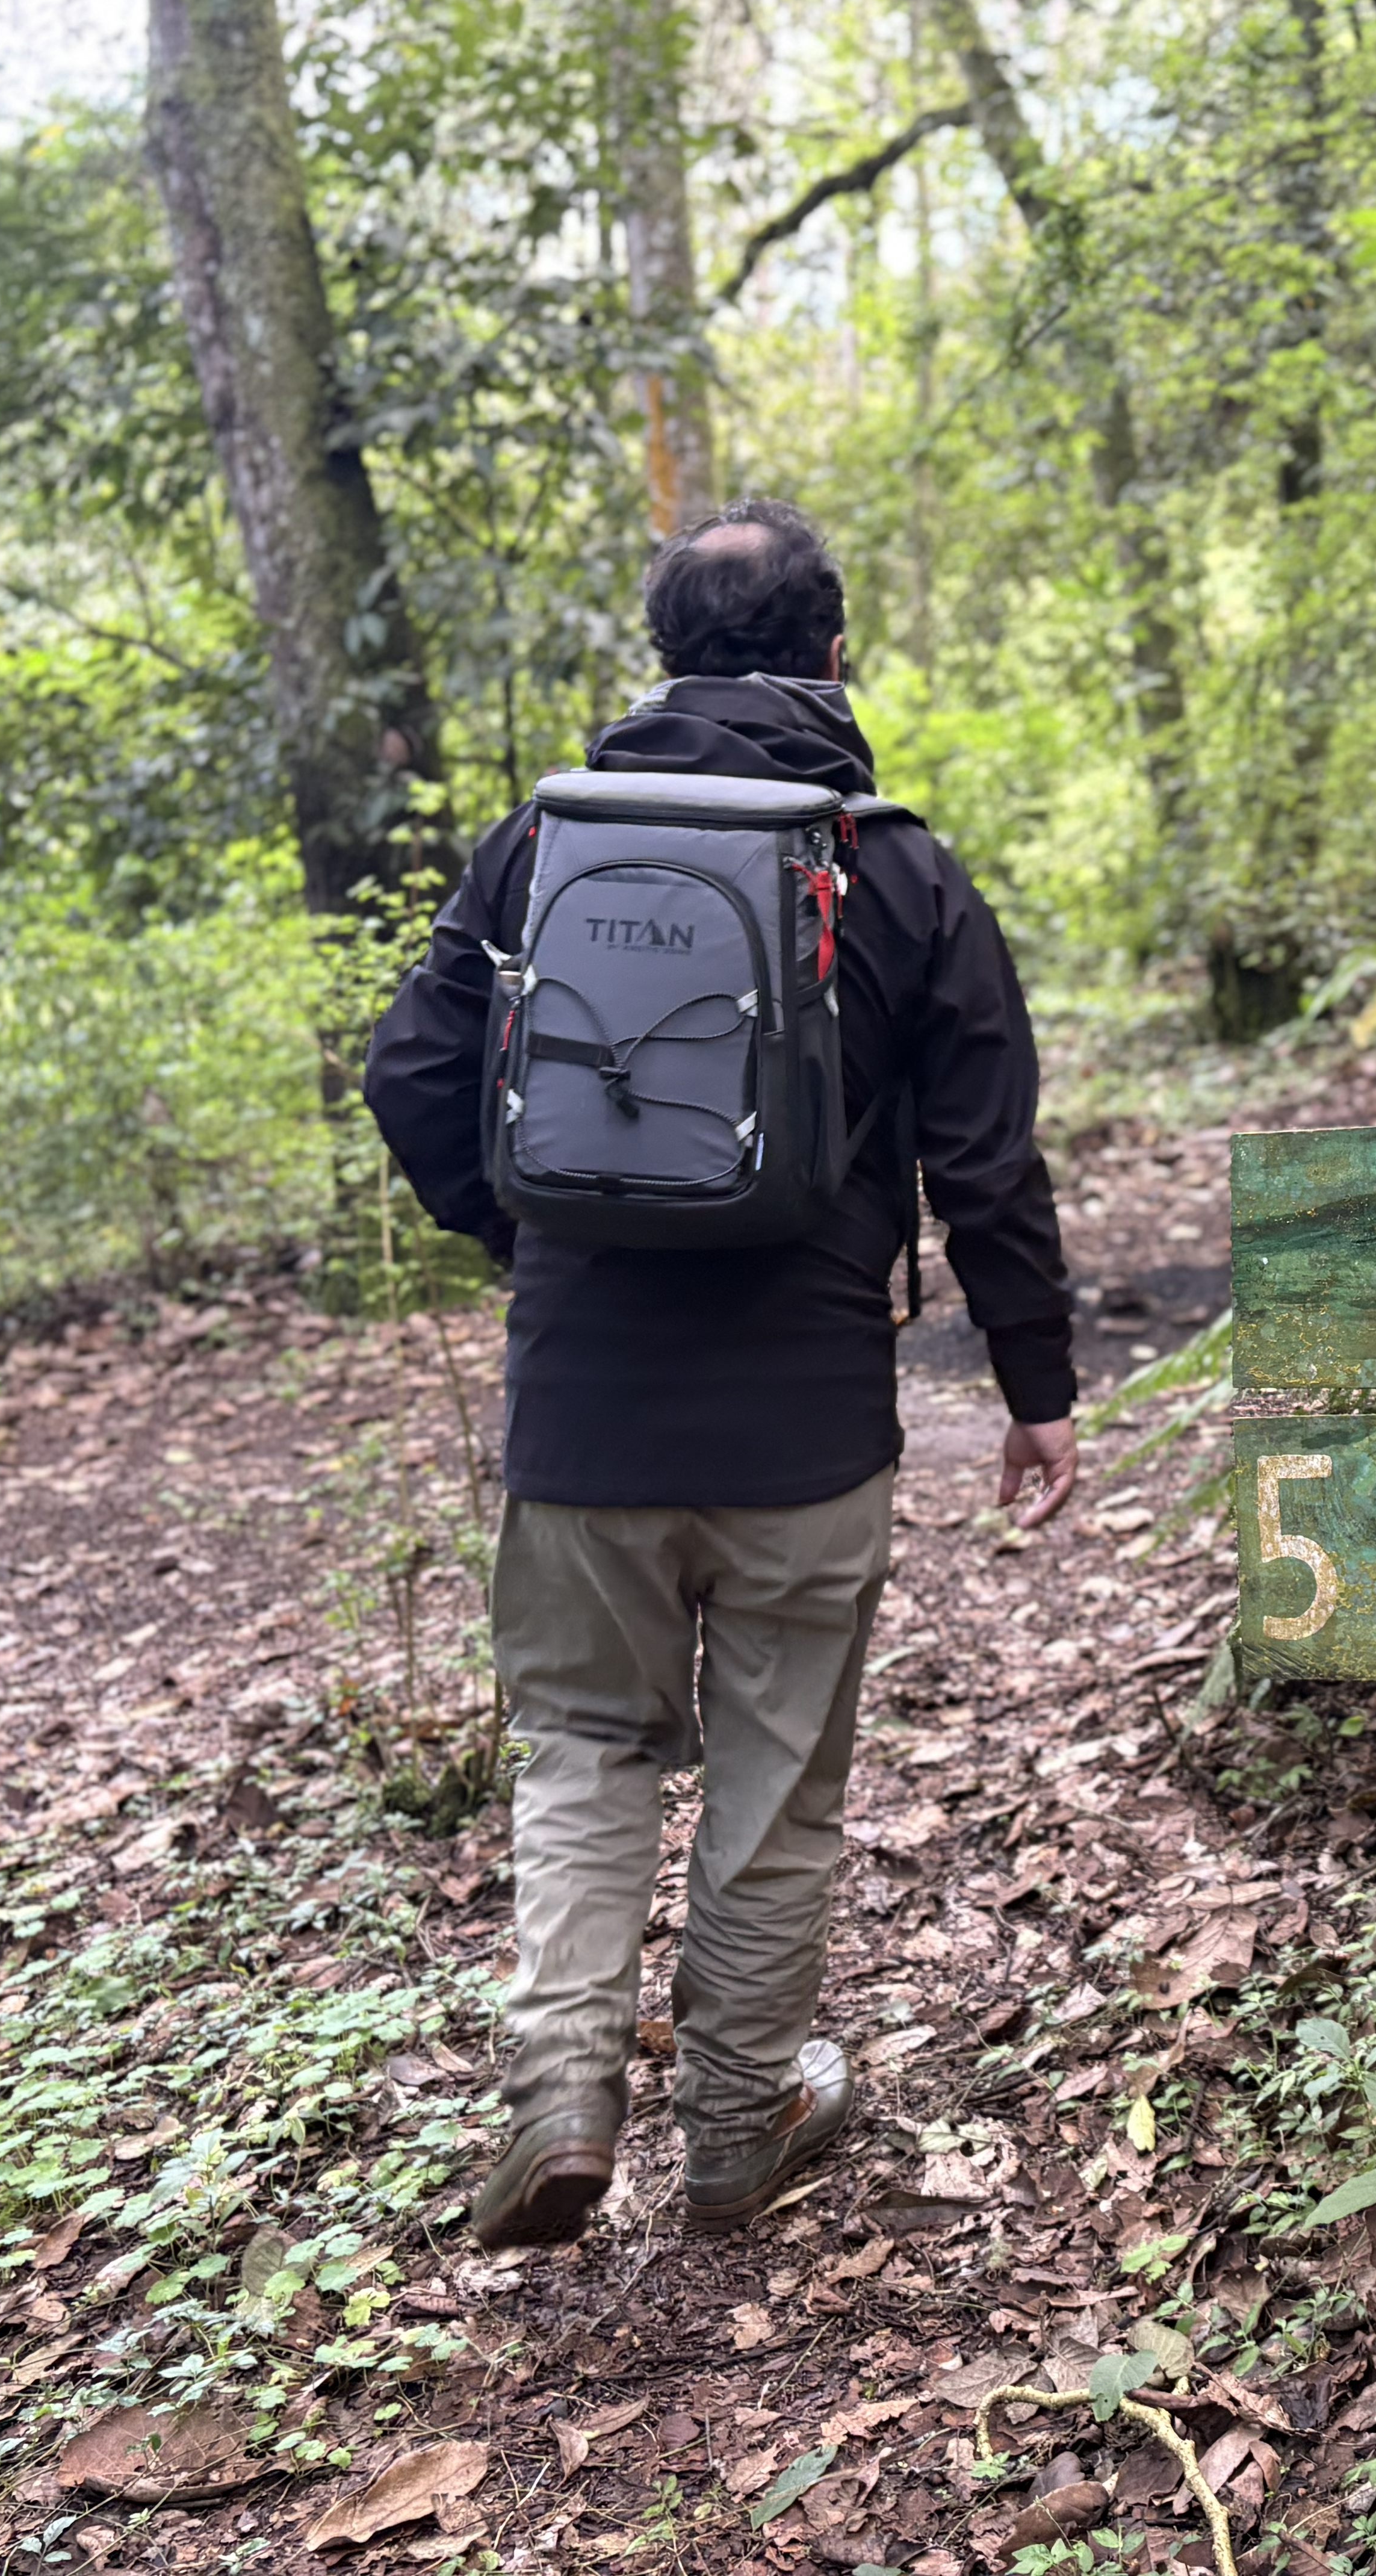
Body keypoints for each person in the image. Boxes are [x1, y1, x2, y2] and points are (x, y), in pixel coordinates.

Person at [363, 499, 1079, 2249]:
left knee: (586, 1750)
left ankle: (558, 2091)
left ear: (666, 655)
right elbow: (987, 1159)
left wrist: (524, 1238)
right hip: (808, 1426)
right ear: (835, 657)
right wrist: (1036, 1385)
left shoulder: (546, 844)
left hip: (584, 1415)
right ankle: (741, 2121)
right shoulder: (897, 864)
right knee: (774, 1779)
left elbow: (408, 1071)